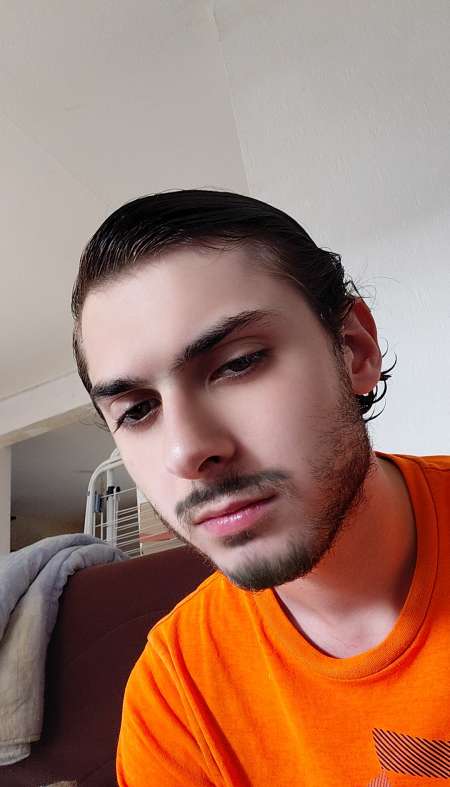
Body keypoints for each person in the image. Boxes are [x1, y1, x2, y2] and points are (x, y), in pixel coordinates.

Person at [72, 190, 449, 787]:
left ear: (353, 351)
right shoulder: (175, 696)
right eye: (138, 410)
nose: (186, 451)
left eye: (238, 363)